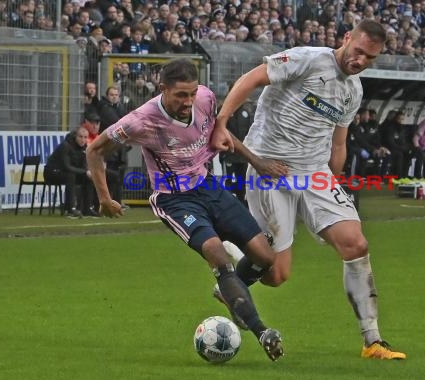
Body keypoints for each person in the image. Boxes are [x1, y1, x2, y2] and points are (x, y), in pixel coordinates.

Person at [211, 19, 406, 360]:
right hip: (270, 168)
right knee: (275, 275)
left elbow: (339, 142)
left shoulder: (353, 90)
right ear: (347, 38)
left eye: (370, 58)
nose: (360, 61)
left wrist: (334, 186)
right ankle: (234, 275)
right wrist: (222, 123)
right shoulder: (308, 59)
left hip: (314, 173)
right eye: (358, 51)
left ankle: (372, 341)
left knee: (356, 243)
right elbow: (253, 78)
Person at [86, 59, 285, 361]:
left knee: (265, 257)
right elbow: (95, 150)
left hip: (208, 186)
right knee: (217, 253)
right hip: (175, 200)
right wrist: (104, 198)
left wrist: (257, 162)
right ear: (163, 89)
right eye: (180, 95)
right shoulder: (141, 121)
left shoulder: (205, 97)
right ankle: (262, 331)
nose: (188, 101)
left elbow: (220, 132)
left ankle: (229, 289)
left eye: (191, 94)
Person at [44, 127, 91, 218]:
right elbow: (66, 166)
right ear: (75, 136)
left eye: (85, 137)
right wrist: (85, 171)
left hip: (67, 172)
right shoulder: (65, 145)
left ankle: (87, 209)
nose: (83, 140)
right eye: (80, 137)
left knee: (88, 178)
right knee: (71, 176)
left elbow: (83, 166)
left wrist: (87, 172)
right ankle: (70, 209)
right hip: (52, 172)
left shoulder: (84, 148)